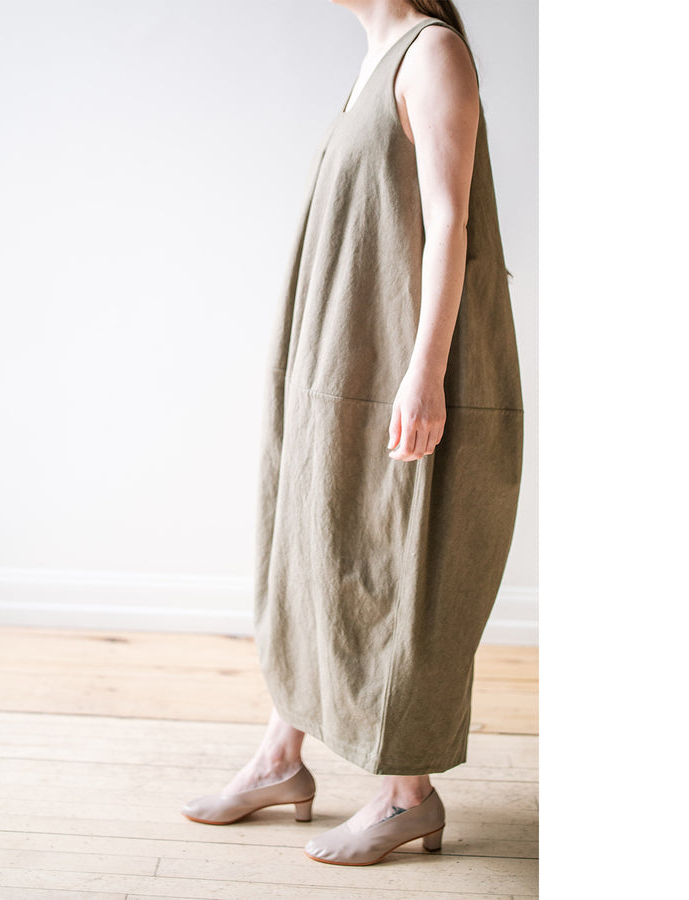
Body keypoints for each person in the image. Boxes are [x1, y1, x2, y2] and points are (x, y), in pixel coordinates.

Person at [181, 0, 524, 867]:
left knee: (396, 564)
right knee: (310, 544)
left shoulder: (431, 53)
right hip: (339, 361)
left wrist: (426, 373)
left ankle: (409, 795)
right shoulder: (379, 57)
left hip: (396, 363)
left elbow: (449, 222)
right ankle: (280, 759)